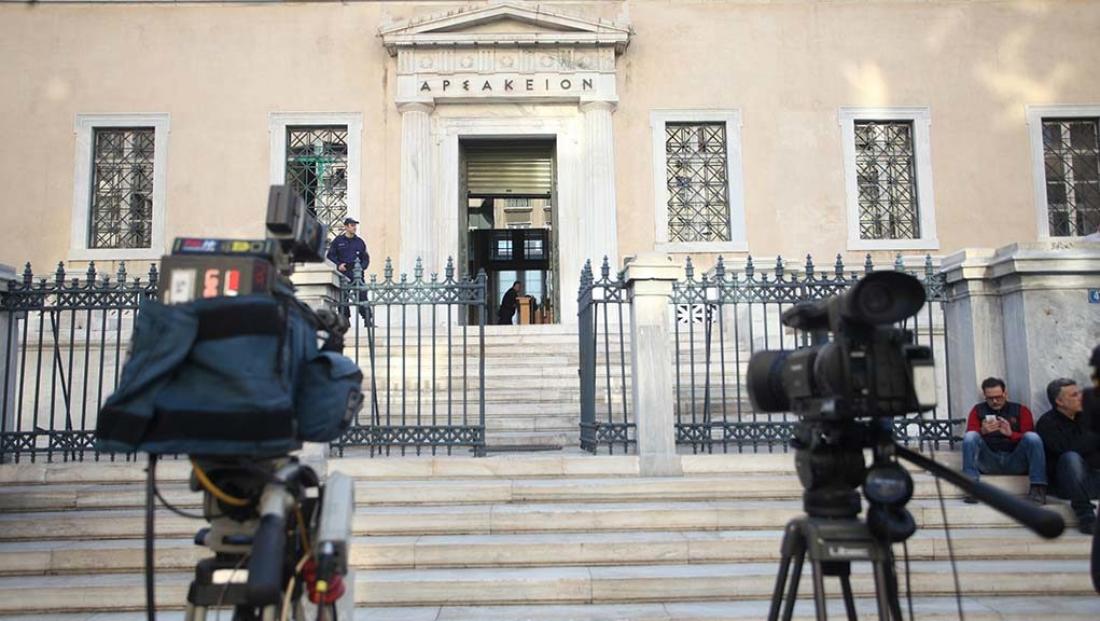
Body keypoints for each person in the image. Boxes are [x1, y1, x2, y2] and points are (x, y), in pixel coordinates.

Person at [960, 377, 1047, 504]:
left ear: (1005, 393)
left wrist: (1011, 434)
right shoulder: (977, 410)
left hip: (1015, 460)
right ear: (984, 396)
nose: (995, 401)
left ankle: (1038, 488)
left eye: (998, 397)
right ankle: (971, 486)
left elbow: (1030, 437)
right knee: (970, 436)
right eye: (990, 398)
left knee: (1033, 438)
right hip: (989, 460)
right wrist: (982, 431)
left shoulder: (1021, 410)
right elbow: (970, 437)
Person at [1036, 377, 1100, 534]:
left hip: (1093, 479)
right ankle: (1086, 517)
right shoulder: (1047, 423)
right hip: (1067, 484)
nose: (1081, 397)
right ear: (1059, 401)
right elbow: (1068, 449)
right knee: (1070, 457)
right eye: (1074, 395)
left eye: (1080, 393)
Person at [325, 217, 370, 324]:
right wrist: (338, 265)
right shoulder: (338, 241)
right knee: (343, 298)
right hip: (344, 273)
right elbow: (331, 255)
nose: (354, 228)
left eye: (355, 225)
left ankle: (367, 319)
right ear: (346, 227)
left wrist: (361, 268)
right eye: (352, 225)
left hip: (357, 274)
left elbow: (366, 259)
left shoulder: (359, 242)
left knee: (362, 296)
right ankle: (345, 321)